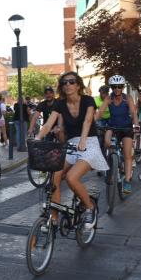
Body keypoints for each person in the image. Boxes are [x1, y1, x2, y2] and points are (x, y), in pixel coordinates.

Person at [36, 72, 108, 229]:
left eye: (71, 82)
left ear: (78, 85)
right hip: (71, 144)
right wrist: (37, 138)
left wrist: (83, 139)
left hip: (89, 142)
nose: (67, 85)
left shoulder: (88, 100)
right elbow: (48, 124)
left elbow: (88, 120)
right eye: (64, 82)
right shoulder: (60, 104)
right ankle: (53, 219)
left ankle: (90, 207)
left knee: (71, 177)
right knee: (55, 176)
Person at [96, 75, 139, 194]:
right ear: (111, 87)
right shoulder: (109, 99)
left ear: (123, 87)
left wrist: (136, 124)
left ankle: (127, 181)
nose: (117, 89)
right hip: (112, 127)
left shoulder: (128, 98)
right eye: (114, 87)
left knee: (127, 155)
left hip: (126, 128)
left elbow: (133, 113)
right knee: (106, 141)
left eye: (119, 86)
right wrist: (91, 122)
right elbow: (100, 113)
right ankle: (111, 162)